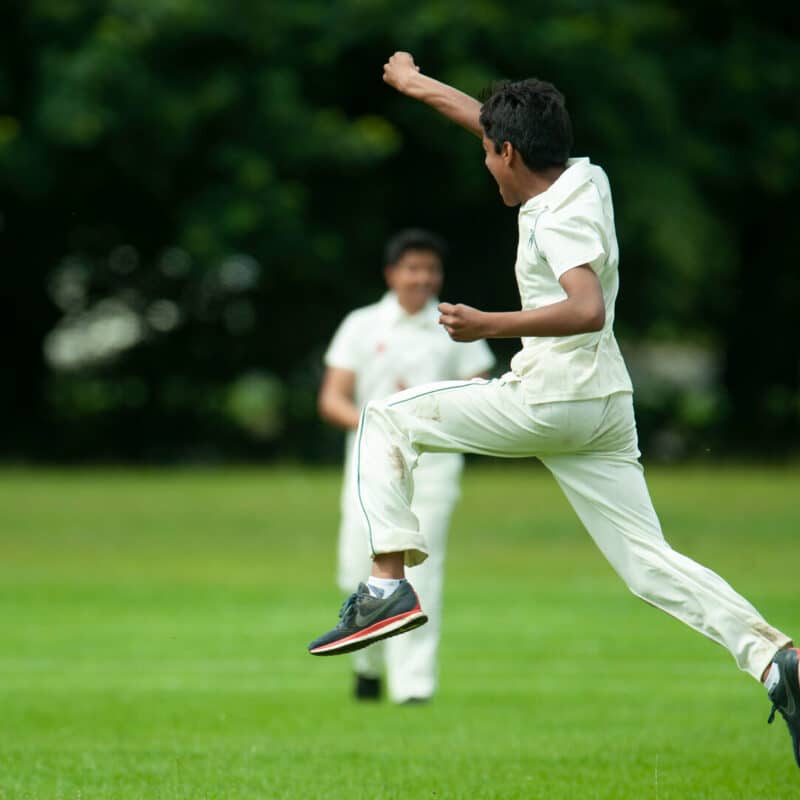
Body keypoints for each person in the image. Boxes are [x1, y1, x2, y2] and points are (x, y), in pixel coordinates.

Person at [307, 52, 800, 766]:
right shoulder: (583, 177)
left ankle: (386, 585)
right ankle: (777, 660)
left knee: (385, 416)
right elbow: (486, 121)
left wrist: (490, 325)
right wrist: (417, 87)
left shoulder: (553, 218)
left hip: (551, 395)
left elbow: (586, 307)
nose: (486, 162)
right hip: (603, 404)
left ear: (509, 154)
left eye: (490, 153)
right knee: (647, 563)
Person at [317, 228, 495, 703]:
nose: (422, 278)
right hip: (370, 466)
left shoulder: (454, 324)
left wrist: (426, 421)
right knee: (358, 567)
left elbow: (481, 395)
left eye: (431, 269)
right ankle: (367, 664)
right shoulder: (362, 324)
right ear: (391, 274)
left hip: (434, 468)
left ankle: (414, 687)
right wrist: (382, 424)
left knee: (421, 574)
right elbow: (332, 398)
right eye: (412, 268)